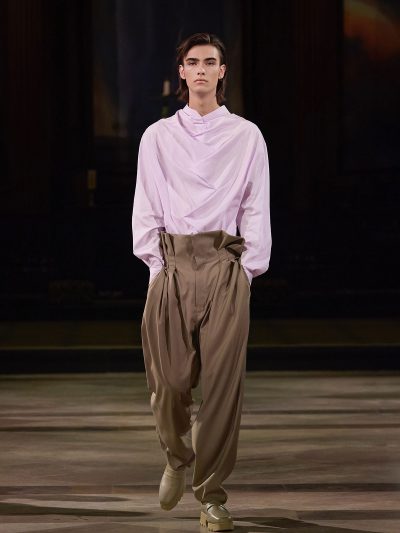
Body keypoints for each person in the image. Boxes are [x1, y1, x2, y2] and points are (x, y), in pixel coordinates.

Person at [132, 32, 271, 532]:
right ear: (182, 72)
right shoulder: (158, 137)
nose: (202, 70)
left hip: (224, 265)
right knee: (168, 384)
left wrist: (246, 272)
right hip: (172, 265)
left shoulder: (246, 136)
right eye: (193, 62)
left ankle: (211, 495)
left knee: (224, 390)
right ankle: (177, 456)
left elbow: (255, 205)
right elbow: (147, 204)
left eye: (211, 62)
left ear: (222, 72)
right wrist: (156, 268)